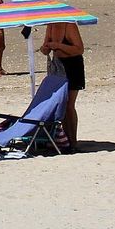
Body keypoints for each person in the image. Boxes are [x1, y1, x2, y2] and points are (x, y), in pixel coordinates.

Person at [41, 20, 84, 149]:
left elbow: (79, 49)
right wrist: (46, 48)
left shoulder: (69, 26)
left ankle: (73, 141)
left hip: (72, 66)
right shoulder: (50, 26)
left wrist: (58, 45)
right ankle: (66, 139)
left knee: (69, 105)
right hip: (58, 65)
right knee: (62, 103)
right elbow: (45, 49)